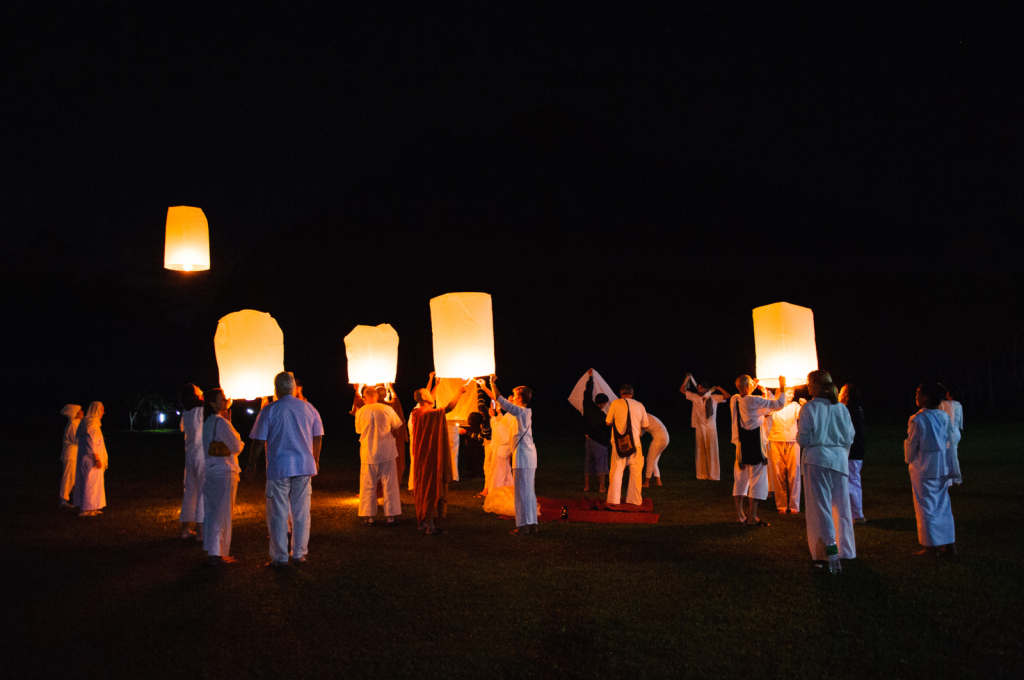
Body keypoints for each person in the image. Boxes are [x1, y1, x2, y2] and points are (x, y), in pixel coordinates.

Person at [247, 372, 324, 567]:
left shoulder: (270, 410)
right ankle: (299, 554)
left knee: (278, 513)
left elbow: (258, 440)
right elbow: (318, 436)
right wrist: (315, 459)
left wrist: (251, 464)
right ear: (293, 387)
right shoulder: (309, 408)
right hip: (304, 466)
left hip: (279, 466)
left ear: (277, 389)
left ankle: (280, 557)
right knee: (301, 512)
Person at [797, 371, 857, 565]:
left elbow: (803, 439)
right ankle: (846, 551)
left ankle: (828, 553)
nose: (807, 386)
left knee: (820, 509)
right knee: (842, 507)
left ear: (819, 386)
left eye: (810, 383)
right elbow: (850, 437)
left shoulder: (809, 408)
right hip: (839, 460)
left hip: (817, 461)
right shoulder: (841, 408)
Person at [904, 382, 958, 557]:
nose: (916, 395)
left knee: (925, 506)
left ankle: (930, 547)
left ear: (926, 397)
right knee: (943, 505)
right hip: (941, 465)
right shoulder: (943, 416)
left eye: (919, 393)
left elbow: (913, 444)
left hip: (924, 466)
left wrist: (908, 458)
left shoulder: (917, 419)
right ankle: (949, 545)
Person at [410, 379, 470, 534]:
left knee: (423, 486)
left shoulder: (416, 412)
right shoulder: (428, 413)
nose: (431, 395)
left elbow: (430, 400)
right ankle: (430, 526)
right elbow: (448, 408)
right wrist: (460, 391)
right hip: (430, 456)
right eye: (428, 394)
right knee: (431, 488)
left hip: (422, 457)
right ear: (423, 398)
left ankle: (422, 523)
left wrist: (436, 384)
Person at [480, 376, 537, 535]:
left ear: (519, 397)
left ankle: (523, 526)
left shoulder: (519, 412)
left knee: (521, 493)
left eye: (515, 394)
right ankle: (532, 524)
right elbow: (500, 401)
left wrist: (492, 383)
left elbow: (500, 399)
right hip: (529, 456)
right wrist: (486, 388)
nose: (512, 396)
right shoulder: (524, 411)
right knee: (529, 492)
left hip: (523, 457)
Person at [730, 375, 788, 526]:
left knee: (740, 480)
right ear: (748, 387)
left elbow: (746, 397)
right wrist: (782, 385)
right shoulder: (754, 400)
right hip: (755, 446)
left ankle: (739, 516)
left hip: (741, 447)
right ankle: (752, 517)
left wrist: (750, 388)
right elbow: (779, 404)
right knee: (757, 481)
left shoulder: (734, 399)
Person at [202, 388, 244, 564]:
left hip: (211, 471)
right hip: (225, 471)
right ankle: (217, 553)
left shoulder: (208, 422)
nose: (225, 400)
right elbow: (237, 446)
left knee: (212, 512)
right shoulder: (221, 422)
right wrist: (235, 432)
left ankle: (213, 550)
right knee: (223, 513)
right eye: (222, 398)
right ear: (213, 403)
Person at [354, 385, 404, 526]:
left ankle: (369, 516)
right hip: (387, 450)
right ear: (376, 396)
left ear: (365, 398)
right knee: (390, 483)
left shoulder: (360, 412)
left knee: (368, 484)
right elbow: (398, 425)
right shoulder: (387, 409)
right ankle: (391, 516)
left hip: (368, 452)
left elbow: (358, 430)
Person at [605, 384, 650, 506]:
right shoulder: (640, 405)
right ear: (632, 393)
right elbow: (646, 425)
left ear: (621, 393)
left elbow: (608, 422)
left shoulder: (615, 403)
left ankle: (614, 499)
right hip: (635, 443)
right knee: (636, 473)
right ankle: (634, 500)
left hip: (619, 443)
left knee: (616, 472)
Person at [680, 374, 729, 481]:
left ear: (706, 389)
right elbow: (682, 390)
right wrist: (687, 379)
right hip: (700, 427)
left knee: (712, 451)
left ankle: (713, 475)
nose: (699, 390)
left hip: (711, 428)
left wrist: (719, 388)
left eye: (701, 388)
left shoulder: (713, 398)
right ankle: (701, 475)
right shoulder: (695, 397)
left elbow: (727, 396)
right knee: (700, 451)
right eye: (698, 388)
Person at [765, 391, 802, 514]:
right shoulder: (776, 405)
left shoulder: (795, 405)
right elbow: (766, 409)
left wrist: (805, 406)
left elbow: (802, 416)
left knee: (794, 473)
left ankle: (794, 505)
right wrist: (765, 391)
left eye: (793, 393)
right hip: (776, 440)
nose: (792, 396)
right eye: (789, 393)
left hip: (793, 441)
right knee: (778, 473)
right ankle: (781, 504)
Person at [178, 383, 205, 541]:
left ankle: (185, 530)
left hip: (190, 455)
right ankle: (201, 533)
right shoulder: (202, 409)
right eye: (199, 390)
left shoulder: (186, 412)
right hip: (201, 454)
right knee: (202, 491)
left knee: (189, 491)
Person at [839, 384, 867, 523]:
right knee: (853, 481)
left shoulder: (848, 410)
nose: (838, 393)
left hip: (853, 451)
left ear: (846, 395)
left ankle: (857, 514)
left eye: (841, 392)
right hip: (857, 450)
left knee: (852, 482)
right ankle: (854, 513)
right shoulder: (857, 409)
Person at [75, 401, 108, 517]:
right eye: (102, 410)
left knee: (94, 483)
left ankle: (92, 507)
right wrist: (97, 459)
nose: (103, 412)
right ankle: (85, 509)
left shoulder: (88, 423)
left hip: (88, 458)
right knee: (89, 483)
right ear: (96, 410)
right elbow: (92, 443)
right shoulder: (92, 424)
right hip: (91, 459)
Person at [582, 369, 610, 493]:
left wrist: (591, 379)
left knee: (588, 462)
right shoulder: (603, 416)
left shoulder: (588, 407)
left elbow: (587, 393)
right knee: (601, 464)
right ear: (603, 404)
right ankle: (601, 487)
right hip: (599, 442)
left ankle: (587, 486)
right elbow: (607, 428)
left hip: (588, 440)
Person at [938, 388, 964, 487]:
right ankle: (957, 479)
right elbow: (959, 420)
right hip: (956, 433)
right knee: (954, 455)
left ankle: (948, 481)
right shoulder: (959, 405)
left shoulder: (943, 404)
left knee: (946, 456)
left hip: (947, 433)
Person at [59, 404, 83, 508]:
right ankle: (63, 501)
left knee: (74, 478)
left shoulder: (76, 423)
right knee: (68, 477)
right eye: (81, 411)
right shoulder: (73, 424)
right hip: (70, 455)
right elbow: (76, 440)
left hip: (74, 455)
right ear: (76, 414)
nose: (83, 412)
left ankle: (77, 499)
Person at [642, 414, 670, 488]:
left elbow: (640, 430)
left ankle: (646, 482)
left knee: (650, 459)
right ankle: (658, 481)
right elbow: (641, 431)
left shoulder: (642, 417)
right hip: (665, 437)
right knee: (654, 460)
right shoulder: (647, 416)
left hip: (659, 437)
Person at [460, 412, 486, 479]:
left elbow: (477, 436)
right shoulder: (476, 427)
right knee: (475, 458)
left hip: (477, 446)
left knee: (477, 458)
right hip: (473, 446)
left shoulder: (479, 428)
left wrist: (466, 432)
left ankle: (479, 472)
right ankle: (476, 472)